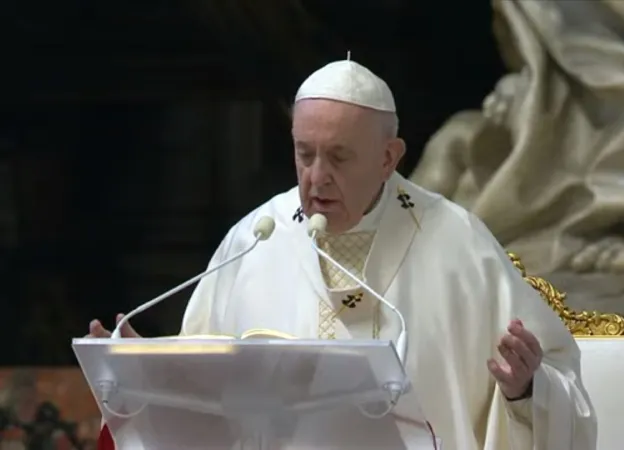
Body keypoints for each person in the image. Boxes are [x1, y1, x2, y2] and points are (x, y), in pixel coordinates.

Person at [88, 58, 596, 449]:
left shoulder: (459, 246)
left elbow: (563, 390)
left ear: (388, 157)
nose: (316, 177)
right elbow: (202, 402)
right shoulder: (256, 239)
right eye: (303, 154)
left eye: (338, 156)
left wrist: (526, 390)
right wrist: (147, 371)